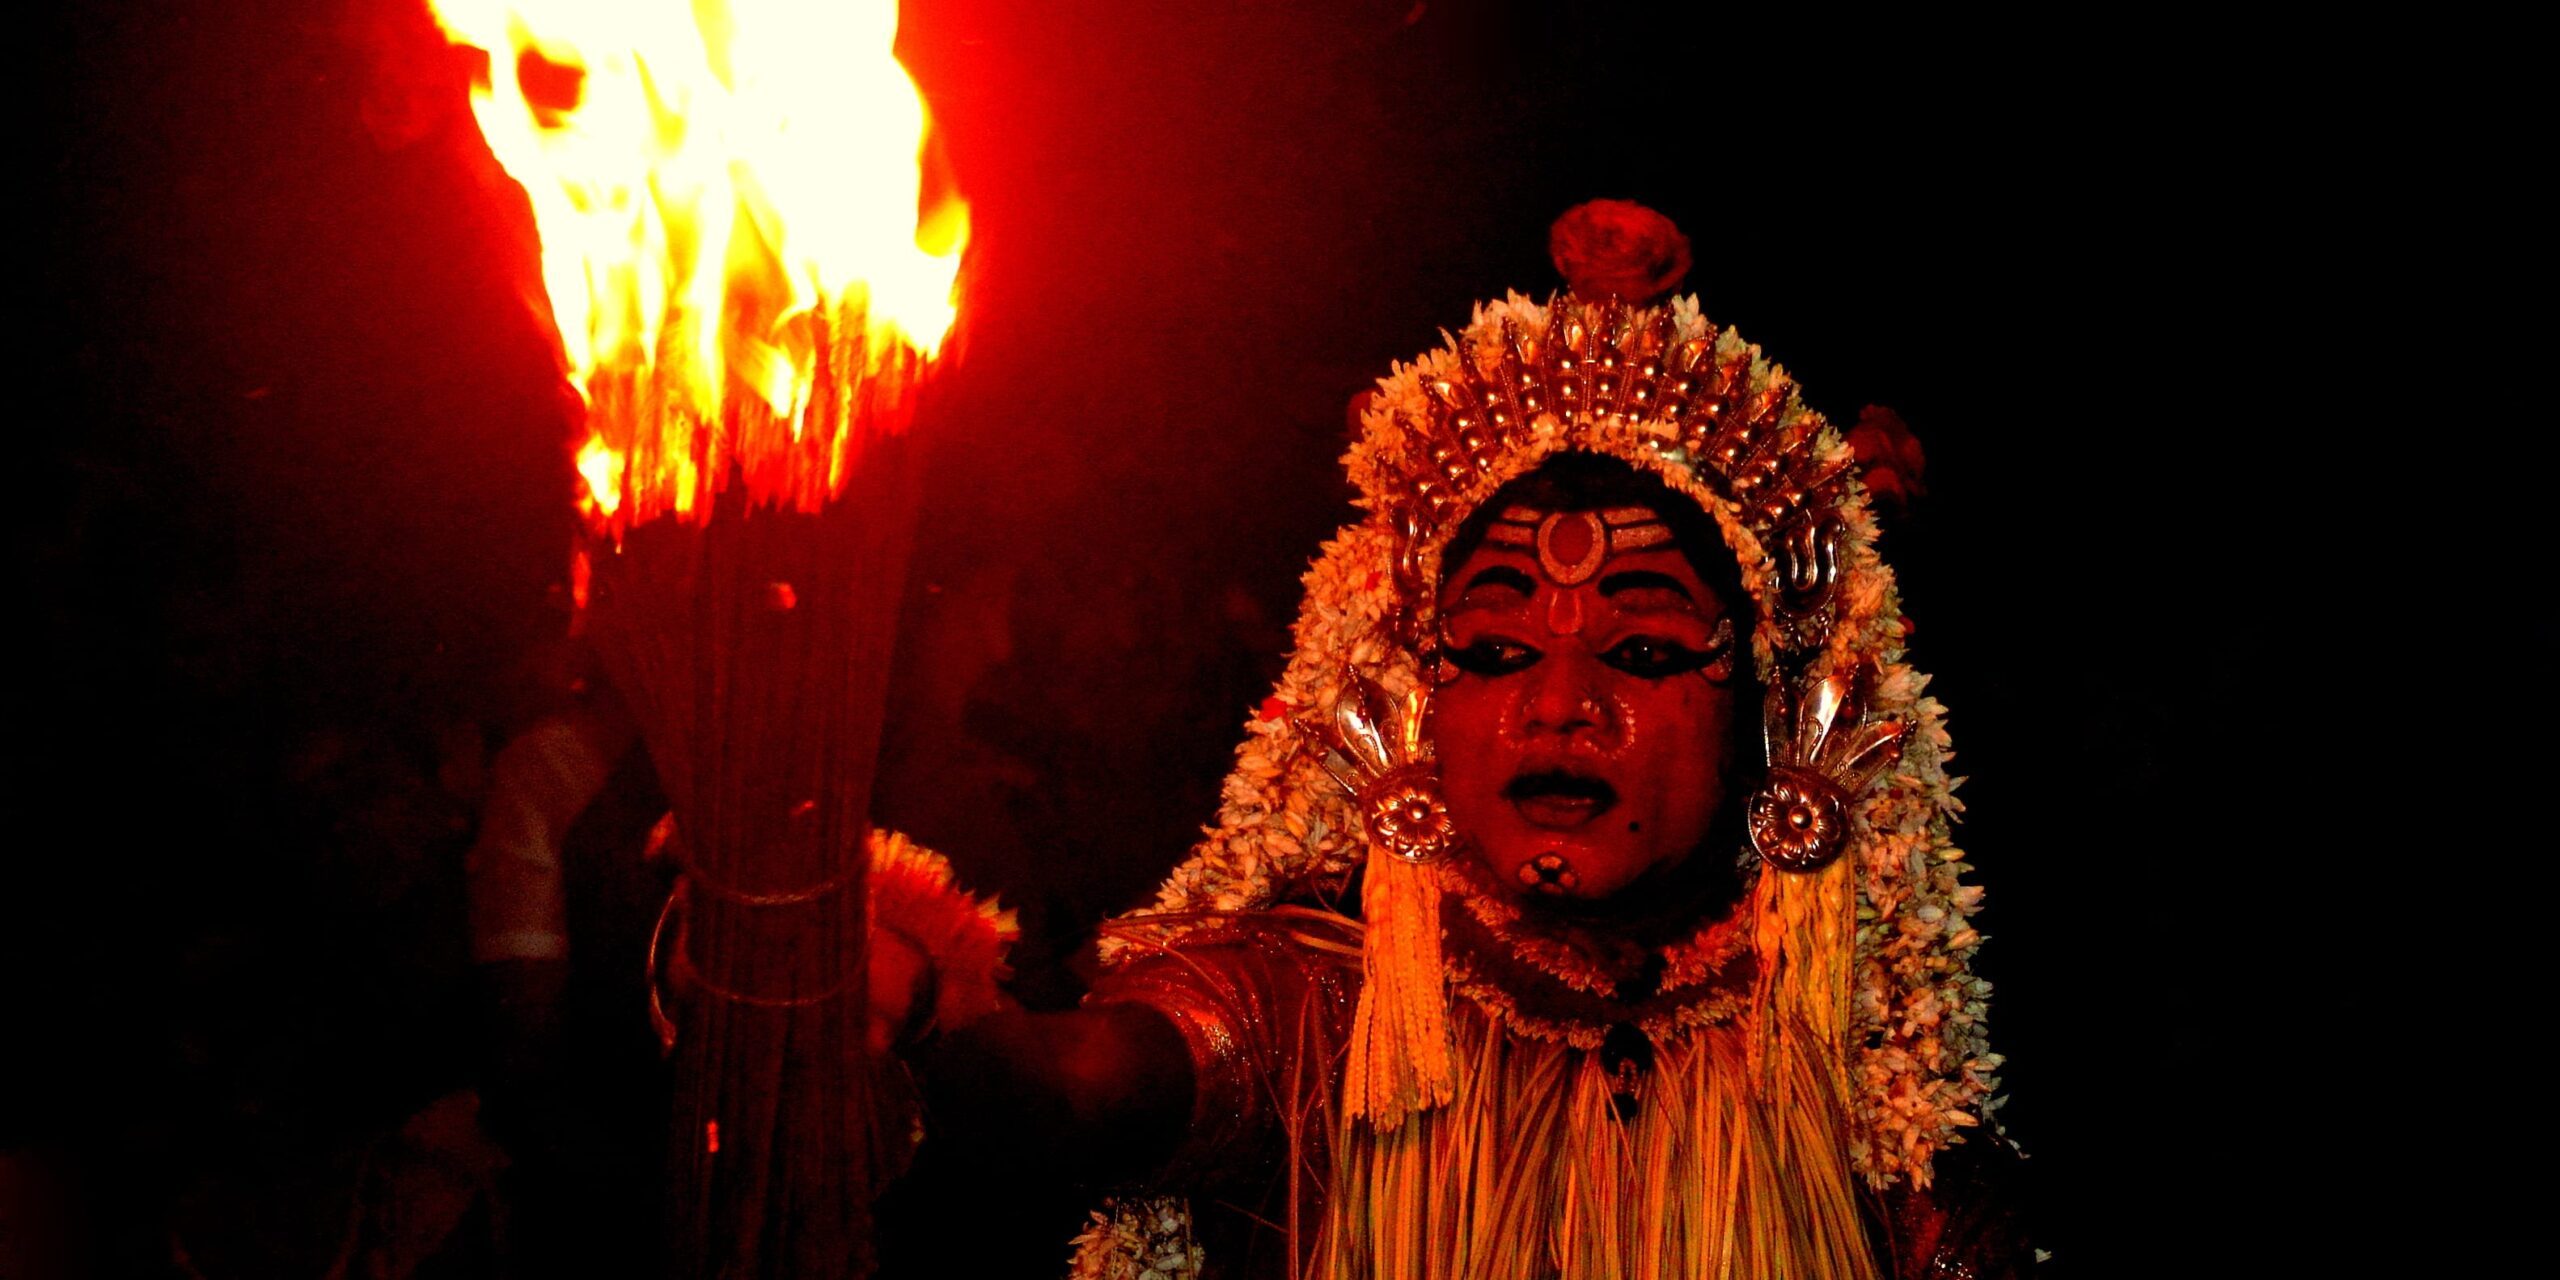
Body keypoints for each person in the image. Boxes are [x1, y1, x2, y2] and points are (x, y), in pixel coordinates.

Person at [880, 202, 2034, 1278]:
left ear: (1769, 710)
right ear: (1419, 696)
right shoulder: (1343, 1021)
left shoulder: (1865, 1087)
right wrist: (916, 1003)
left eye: (1638, 652)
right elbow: (1095, 1078)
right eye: (1491, 652)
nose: (1555, 702)